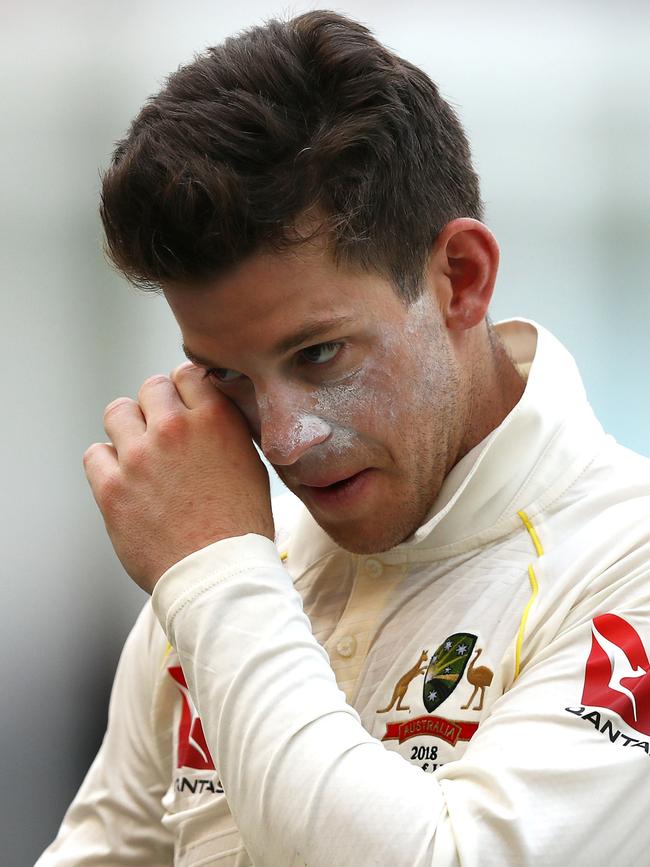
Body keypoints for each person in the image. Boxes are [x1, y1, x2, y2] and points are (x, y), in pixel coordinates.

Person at [38, 10, 650, 866]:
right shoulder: (233, 565)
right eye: (228, 377)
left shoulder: (628, 561)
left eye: (319, 353)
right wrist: (220, 577)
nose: (284, 441)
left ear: (460, 279)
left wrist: (216, 579)